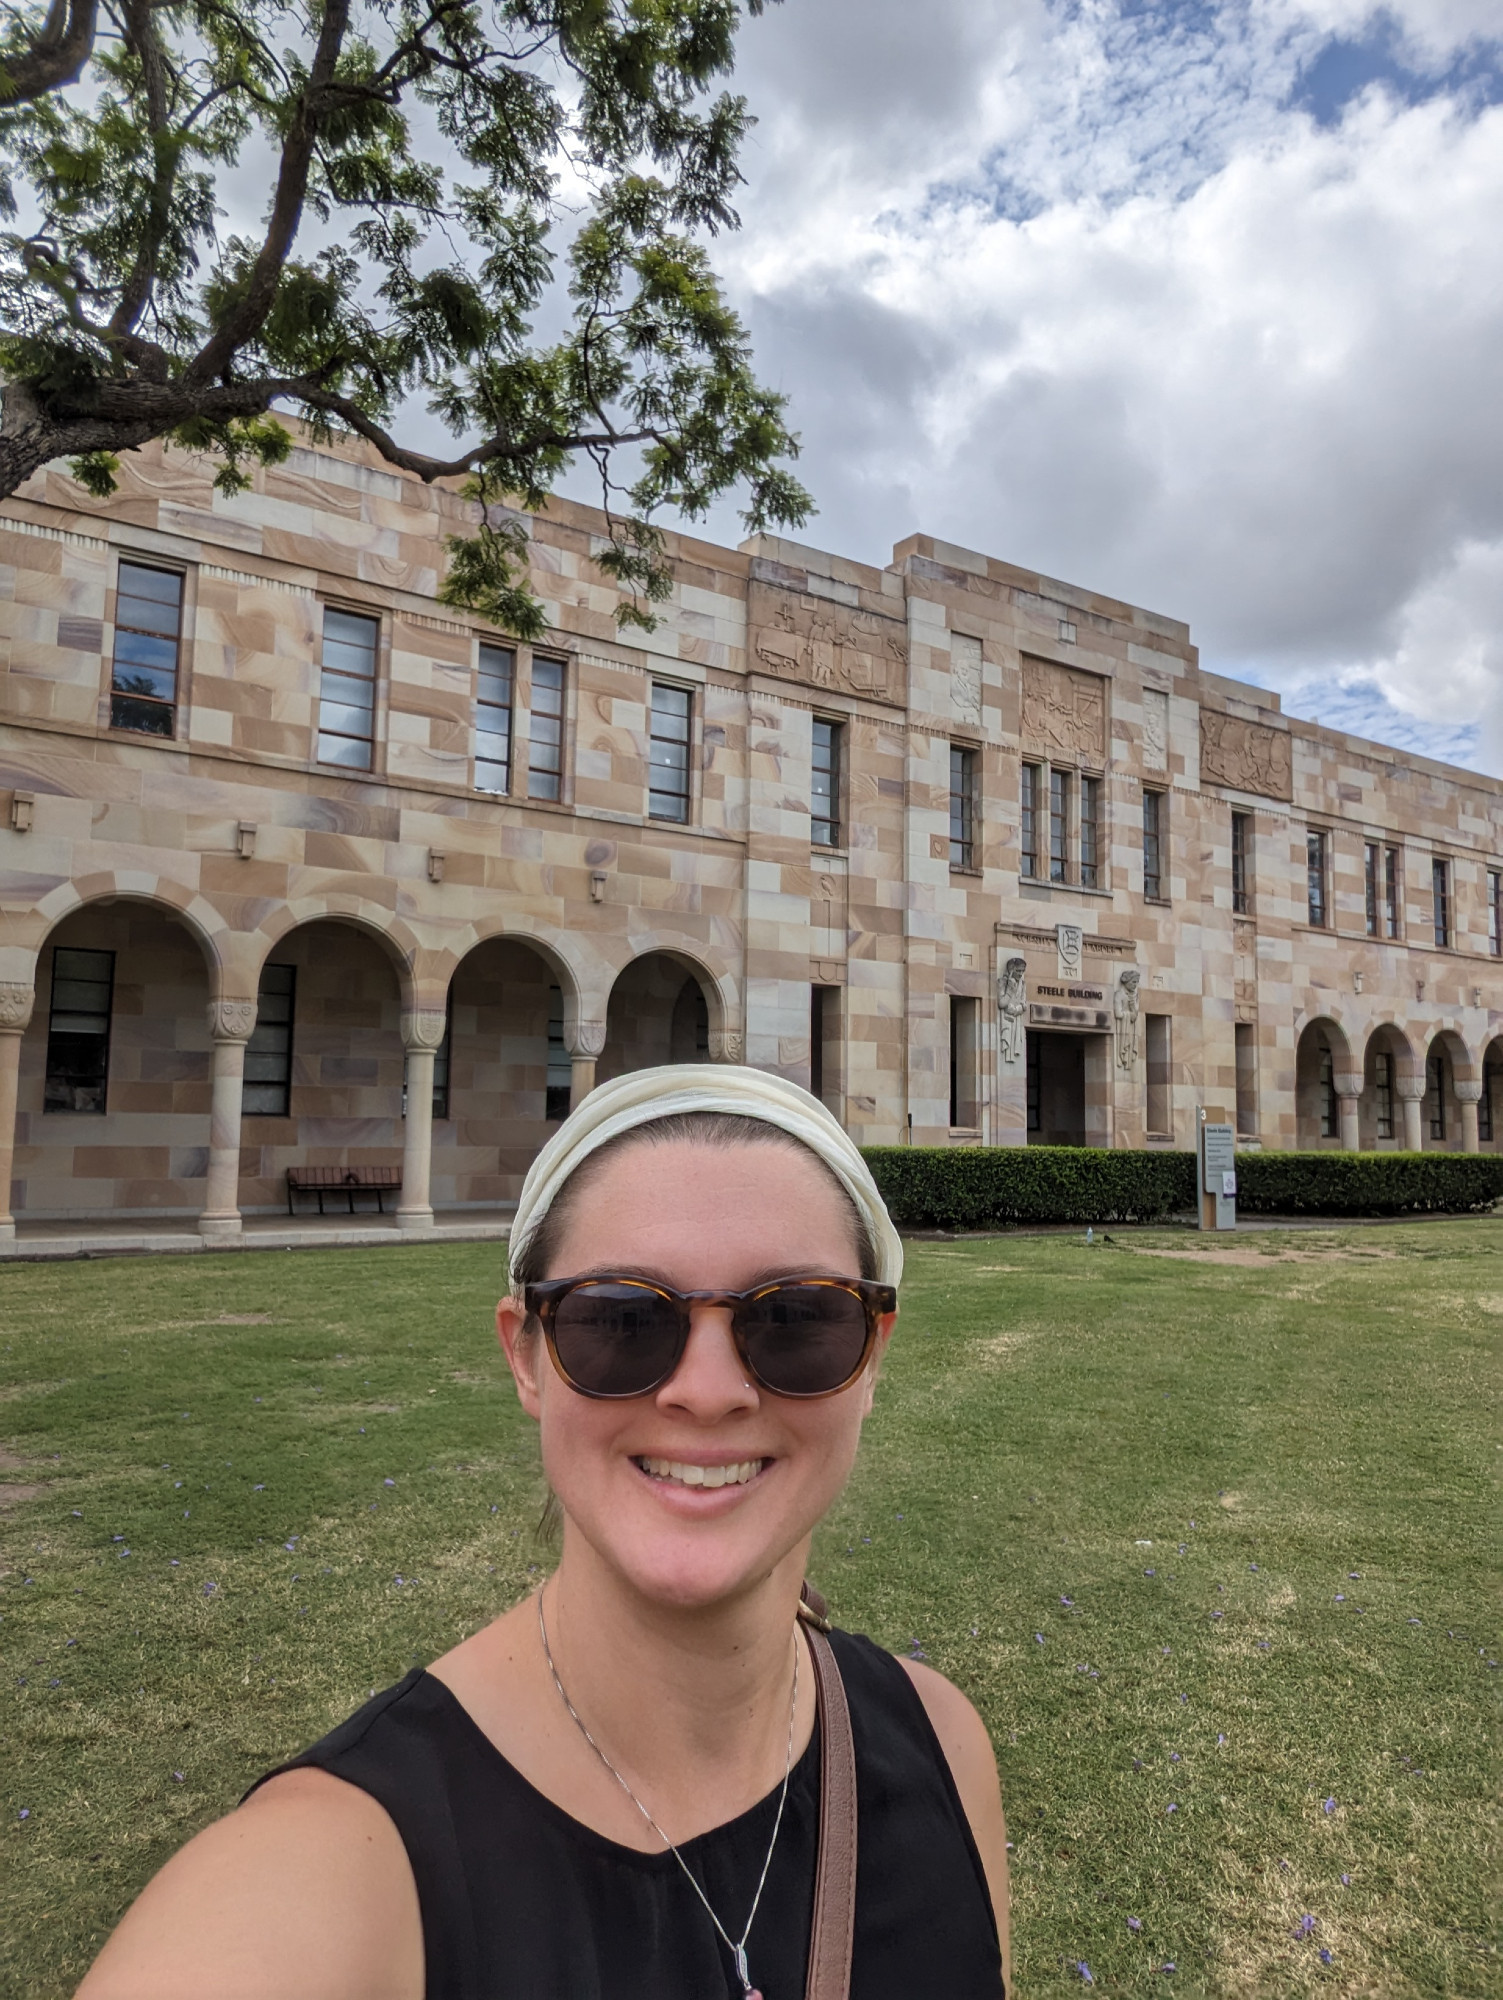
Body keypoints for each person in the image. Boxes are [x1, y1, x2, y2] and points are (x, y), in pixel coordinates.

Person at [78, 1066, 1010, 2000]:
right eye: (620, 1321)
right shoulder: (335, 1874)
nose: (707, 1390)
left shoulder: (942, 1745)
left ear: (873, 1356)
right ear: (525, 1356)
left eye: (799, 1319)